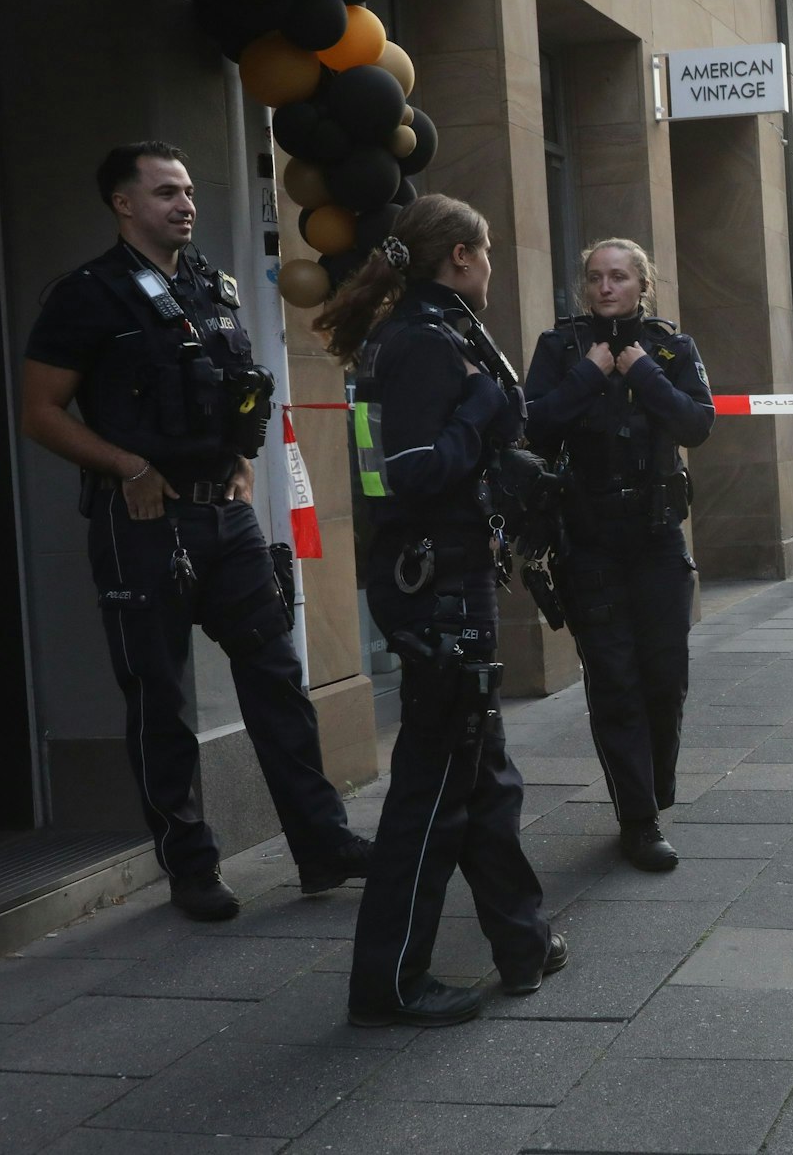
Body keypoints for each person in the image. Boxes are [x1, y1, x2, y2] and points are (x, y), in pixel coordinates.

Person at [20, 141, 371, 923]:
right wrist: (127, 466)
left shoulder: (213, 284)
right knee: (160, 697)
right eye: (166, 192)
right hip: (141, 519)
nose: (186, 203)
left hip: (224, 514)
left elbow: (230, 391)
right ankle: (190, 867)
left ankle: (323, 845)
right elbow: (39, 412)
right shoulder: (87, 295)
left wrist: (239, 463)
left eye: (187, 190)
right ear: (123, 204)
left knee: (276, 678)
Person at [314, 194, 561, 1028]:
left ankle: (523, 943)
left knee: (482, 777)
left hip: (447, 579)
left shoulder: (435, 326)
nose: (492, 263)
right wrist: (482, 413)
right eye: (488, 250)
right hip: (436, 584)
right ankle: (387, 985)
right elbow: (411, 470)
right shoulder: (423, 340)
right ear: (461, 254)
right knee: (433, 793)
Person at [525, 239, 714, 873]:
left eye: (619, 277)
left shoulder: (668, 348)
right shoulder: (561, 349)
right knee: (614, 682)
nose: (606, 288)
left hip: (656, 537)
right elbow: (534, 426)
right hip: (587, 542)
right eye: (595, 278)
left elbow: (696, 424)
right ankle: (639, 819)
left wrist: (641, 372)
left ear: (642, 285)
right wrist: (591, 372)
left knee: (665, 677)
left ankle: (655, 787)